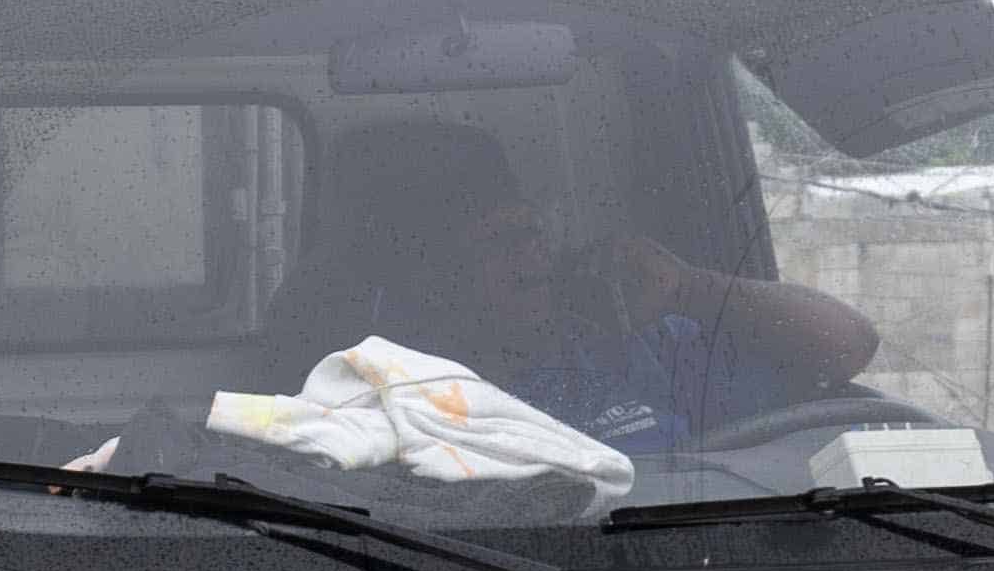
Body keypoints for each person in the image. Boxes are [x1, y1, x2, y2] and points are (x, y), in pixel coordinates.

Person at [315, 120, 881, 466]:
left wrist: (689, 288)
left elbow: (846, 346)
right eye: (495, 245)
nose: (531, 260)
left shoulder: (638, 344)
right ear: (425, 277)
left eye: (532, 234)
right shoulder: (390, 405)